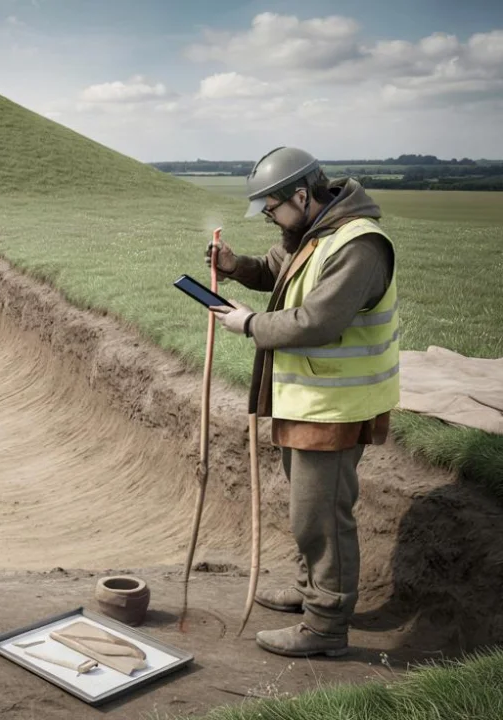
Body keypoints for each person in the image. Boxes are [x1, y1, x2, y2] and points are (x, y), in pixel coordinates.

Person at [206, 146, 399, 658]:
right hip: (309, 401)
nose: (269, 217)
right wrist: (234, 266)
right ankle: (311, 592)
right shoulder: (310, 232)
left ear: (300, 195)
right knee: (307, 512)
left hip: (336, 408)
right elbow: (277, 271)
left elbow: (318, 322)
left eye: (271, 207)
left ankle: (326, 627)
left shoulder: (359, 245)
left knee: (321, 518)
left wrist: (248, 323)